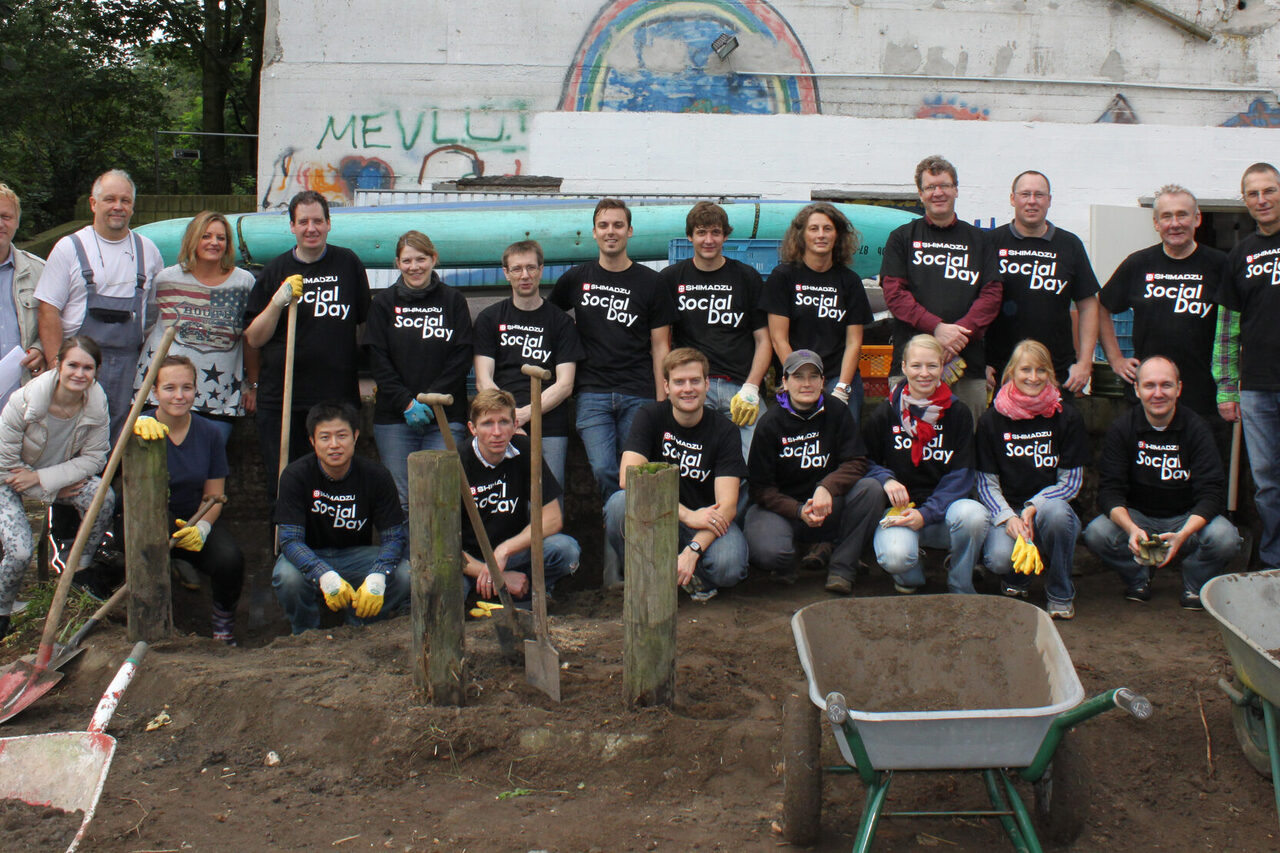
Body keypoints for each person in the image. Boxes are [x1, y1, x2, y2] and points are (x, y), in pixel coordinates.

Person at [1083, 357, 1240, 609]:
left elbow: (1211, 493)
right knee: (1096, 533)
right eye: (1149, 386)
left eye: (1166, 385)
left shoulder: (1196, 428)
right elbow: (1110, 493)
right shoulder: (1123, 428)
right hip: (1138, 520)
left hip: (1185, 520)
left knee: (1226, 538)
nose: (1158, 393)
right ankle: (1139, 576)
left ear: (1179, 388)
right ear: (1137, 390)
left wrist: (1183, 534)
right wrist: (1132, 530)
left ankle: (1194, 582)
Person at [244, 190, 370, 499]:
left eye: (317, 221)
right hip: (284, 399)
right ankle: (285, 546)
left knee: (336, 485)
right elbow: (254, 337)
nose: (310, 228)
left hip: (336, 397)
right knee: (284, 481)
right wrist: (277, 303)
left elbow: (365, 323)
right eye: (303, 222)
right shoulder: (275, 271)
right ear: (292, 226)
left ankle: (331, 546)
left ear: (329, 224)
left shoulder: (347, 264)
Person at [550, 198, 673, 500]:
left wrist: (662, 401)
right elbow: (549, 320)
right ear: (593, 232)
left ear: (630, 231)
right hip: (592, 393)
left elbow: (661, 347)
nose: (611, 231)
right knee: (604, 469)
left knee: (635, 473)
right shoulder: (577, 279)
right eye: (603, 225)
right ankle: (617, 520)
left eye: (618, 225)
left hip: (639, 392)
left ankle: (623, 530)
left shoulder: (651, 283)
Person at [604, 348, 748, 602]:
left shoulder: (725, 431)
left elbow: (727, 507)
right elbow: (629, 479)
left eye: (695, 381)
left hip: (706, 522)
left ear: (706, 384)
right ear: (666, 386)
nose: (688, 389)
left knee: (729, 565)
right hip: (660, 517)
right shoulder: (649, 416)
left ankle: (688, 572)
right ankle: (653, 576)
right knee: (619, 504)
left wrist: (693, 550)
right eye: (679, 382)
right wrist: (685, 514)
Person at [35, 170, 163, 438]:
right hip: (76, 366)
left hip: (128, 368)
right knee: (69, 437)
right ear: (94, 204)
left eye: (125, 200)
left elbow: (153, 314)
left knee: (117, 439)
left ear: (133, 206)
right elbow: (48, 311)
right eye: (110, 199)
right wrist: (55, 367)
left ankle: (108, 481)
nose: (118, 207)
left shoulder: (148, 251)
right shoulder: (69, 248)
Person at [0, 337, 112, 637]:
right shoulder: (21, 403)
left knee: (103, 496)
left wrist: (44, 481)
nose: (79, 373)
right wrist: (49, 490)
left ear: (96, 371)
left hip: (51, 478)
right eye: (72, 365)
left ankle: (80, 569)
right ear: (57, 365)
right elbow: (4, 466)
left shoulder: (97, 407)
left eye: (87, 367)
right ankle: (2, 613)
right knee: (21, 551)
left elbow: (94, 459)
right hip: (6, 480)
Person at [745, 350, 880, 595]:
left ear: (822, 381)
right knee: (768, 551)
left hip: (829, 505)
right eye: (798, 377)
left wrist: (826, 486)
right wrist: (797, 510)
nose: (806, 383)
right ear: (784, 382)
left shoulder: (837, 411)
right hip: (784, 510)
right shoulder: (770, 423)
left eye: (813, 376)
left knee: (870, 490)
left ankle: (842, 567)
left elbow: (857, 461)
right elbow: (760, 488)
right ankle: (787, 566)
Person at [860, 334, 988, 594]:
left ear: (942, 367)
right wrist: (887, 479)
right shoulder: (887, 411)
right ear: (904, 367)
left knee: (974, 516)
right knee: (896, 558)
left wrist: (927, 514)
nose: (924, 373)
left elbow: (962, 474)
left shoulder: (958, 413)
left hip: (944, 512)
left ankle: (960, 582)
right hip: (900, 512)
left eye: (932, 365)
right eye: (916, 366)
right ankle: (913, 574)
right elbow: (863, 460)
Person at [271, 402, 411, 634]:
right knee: (287, 577)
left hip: (357, 556)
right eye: (325, 437)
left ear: (355, 437)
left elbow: (394, 536)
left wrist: (378, 575)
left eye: (342, 436)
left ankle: (362, 628)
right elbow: (289, 540)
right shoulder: (295, 476)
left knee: (406, 575)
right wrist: (322, 574)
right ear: (312, 441)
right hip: (310, 553)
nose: (334, 445)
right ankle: (306, 635)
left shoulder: (376, 476)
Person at [880, 155, 1002, 421]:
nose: (938, 192)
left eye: (945, 185)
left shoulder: (980, 240)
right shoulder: (902, 238)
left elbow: (992, 294)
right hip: (912, 368)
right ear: (920, 194)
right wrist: (937, 328)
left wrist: (958, 336)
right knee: (907, 443)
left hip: (967, 367)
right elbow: (894, 294)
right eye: (930, 187)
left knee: (966, 445)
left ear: (956, 190)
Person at [131, 356, 243, 643]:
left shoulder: (209, 433)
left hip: (192, 519)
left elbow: (214, 495)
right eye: (169, 388)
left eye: (187, 387)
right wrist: (133, 430)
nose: (179, 396)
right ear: (154, 392)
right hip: (148, 523)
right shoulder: (140, 429)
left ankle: (223, 622)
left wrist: (202, 528)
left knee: (230, 559)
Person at [976, 340, 1089, 619]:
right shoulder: (992, 420)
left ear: (1050, 374)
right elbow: (985, 483)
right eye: (1025, 369)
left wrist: (1034, 506)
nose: (1033, 377)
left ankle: (1060, 590)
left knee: (1057, 514)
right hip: (1010, 510)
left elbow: (1072, 482)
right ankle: (1018, 577)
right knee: (998, 559)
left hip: (1051, 511)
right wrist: (1008, 517)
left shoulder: (1067, 416)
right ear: (1011, 372)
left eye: (1041, 370)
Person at [364, 230, 473, 513]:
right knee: (402, 501)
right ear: (397, 264)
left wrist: (429, 400)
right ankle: (406, 559)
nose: (414, 267)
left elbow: (462, 355)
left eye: (421, 259)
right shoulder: (383, 304)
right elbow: (378, 358)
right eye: (407, 260)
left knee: (442, 497)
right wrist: (406, 402)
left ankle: (442, 560)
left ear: (433, 259)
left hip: (445, 417)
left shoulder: (453, 301)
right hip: (395, 419)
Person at [1099, 185, 1225, 424]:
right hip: (1148, 395)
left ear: (1197, 218)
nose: (1174, 223)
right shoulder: (1139, 263)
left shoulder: (1219, 265)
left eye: (1182, 214)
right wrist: (1116, 359)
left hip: (1203, 395)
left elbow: (1238, 321)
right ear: (1156, 223)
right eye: (1166, 216)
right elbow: (1100, 306)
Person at [136, 211, 256, 446]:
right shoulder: (165, 279)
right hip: (164, 393)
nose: (214, 243)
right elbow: (146, 324)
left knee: (207, 465)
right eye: (206, 236)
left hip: (219, 396)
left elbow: (250, 337)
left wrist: (252, 384)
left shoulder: (244, 283)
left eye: (220, 238)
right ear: (193, 239)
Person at [661, 202, 770, 457]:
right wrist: (667, 389)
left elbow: (764, 340)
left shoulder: (747, 277)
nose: (708, 240)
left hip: (740, 388)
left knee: (756, 461)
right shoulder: (671, 278)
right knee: (697, 461)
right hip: (693, 388)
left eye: (715, 232)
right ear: (690, 237)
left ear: (725, 235)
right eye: (701, 232)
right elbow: (661, 342)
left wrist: (752, 388)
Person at [473, 240, 582, 489]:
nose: (525, 275)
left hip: (549, 425)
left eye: (531, 268)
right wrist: (507, 419)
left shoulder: (561, 322)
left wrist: (523, 415)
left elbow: (565, 384)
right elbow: (483, 379)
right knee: (504, 494)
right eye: (517, 269)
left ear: (541, 270)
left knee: (550, 495)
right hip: (500, 425)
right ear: (506, 273)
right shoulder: (490, 318)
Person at [1216, 162, 1280, 569]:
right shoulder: (1241, 254)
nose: (1262, 199)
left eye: (1269, 190)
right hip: (1256, 388)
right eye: (1253, 193)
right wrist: (1226, 386)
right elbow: (1227, 329)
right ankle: (1274, 559)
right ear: (1245, 201)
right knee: (1267, 484)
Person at [459, 389, 580, 604]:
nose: (497, 432)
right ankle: (497, 591)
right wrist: (497, 576)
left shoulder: (525, 450)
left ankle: (529, 592)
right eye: (487, 423)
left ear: (515, 425)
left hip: (514, 553)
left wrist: (505, 550)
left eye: (504, 422)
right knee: (448, 590)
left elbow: (552, 519)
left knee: (566, 550)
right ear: (472, 428)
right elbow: (446, 547)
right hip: (469, 561)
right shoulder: (457, 462)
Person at [985, 171, 1101, 396]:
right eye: (1025, 194)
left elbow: (1088, 305)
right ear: (1012, 199)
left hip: (1056, 374)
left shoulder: (1070, 244)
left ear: (1049, 200)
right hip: (1001, 372)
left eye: (1039, 195)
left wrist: (1085, 362)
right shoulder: (991, 242)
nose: (1032, 201)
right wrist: (980, 361)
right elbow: (973, 304)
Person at [763, 202, 872, 421]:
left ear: (837, 235)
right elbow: (778, 339)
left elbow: (854, 342)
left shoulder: (849, 281)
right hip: (796, 374)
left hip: (837, 376)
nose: (821, 235)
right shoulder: (783, 277)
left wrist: (842, 388)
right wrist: (801, 378)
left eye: (827, 228)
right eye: (814, 229)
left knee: (842, 446)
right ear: (801, 235)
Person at [0, 182, 49, 409]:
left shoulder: (39, 271)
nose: (0, 223)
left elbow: (57, 324)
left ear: (17, 221)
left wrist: (40, 349)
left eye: (6, 216)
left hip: (23, 394)